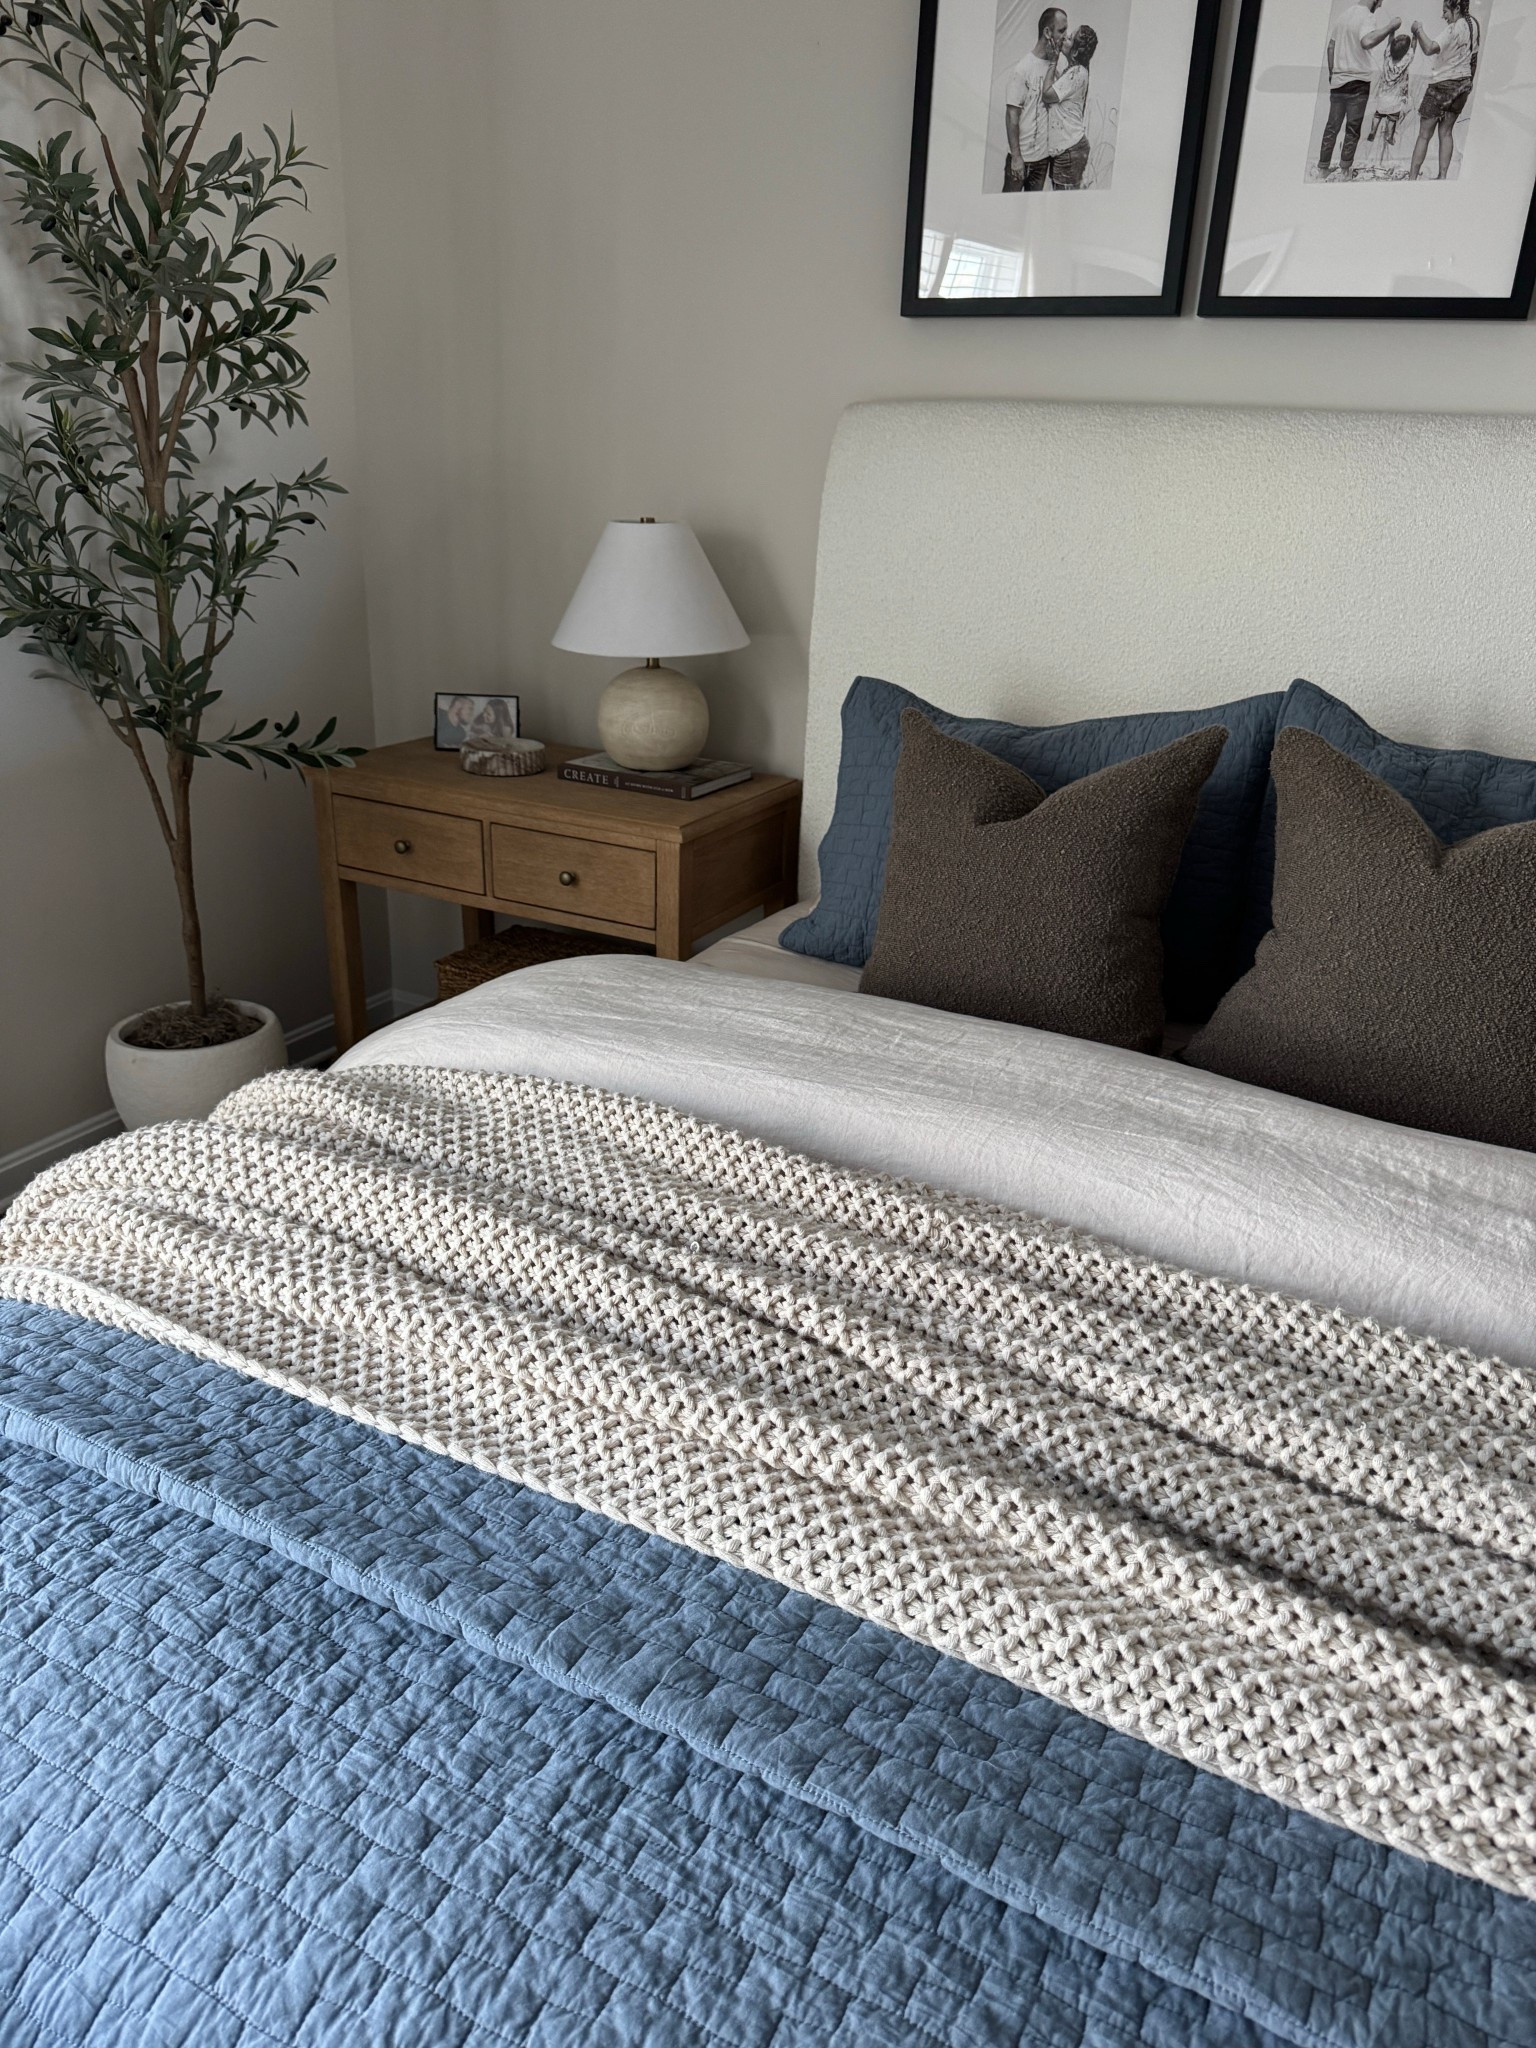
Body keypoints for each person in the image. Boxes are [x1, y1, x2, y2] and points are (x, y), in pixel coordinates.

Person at [1319, 0, 1400, 179]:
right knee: (1352, 129)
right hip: (1358, 81)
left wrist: (1333, 73)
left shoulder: (1344, 15)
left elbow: (1331, 47)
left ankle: (1323, 169)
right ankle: (1345, 170)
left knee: (1332, 126)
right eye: (1380, 2)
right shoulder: (1367, 16)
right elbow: (1367, 41)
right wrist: (1391, 26)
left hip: (1339, 81)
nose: (1380, 6)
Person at [1408, 1, 1479, 180]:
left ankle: (1411, 179)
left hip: (1441, 85)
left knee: (1424, 135)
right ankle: (1442, 178)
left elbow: (1430, 48)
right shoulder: (1474, 25)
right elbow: (1474, 58)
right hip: (1462, 85)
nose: (1443, 16)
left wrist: (1418, 29)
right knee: (1446, 132)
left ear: (1457, 8)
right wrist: (1468, 83)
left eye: (1446, 11)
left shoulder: (1453, 29)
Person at [1004, 9, 1067, 193]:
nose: (1065, 36)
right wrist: (1016, 157)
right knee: (1007, 207)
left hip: (1042, 160)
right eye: (1061, 31)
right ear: (1047, 32)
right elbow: (1012, 115)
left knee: (1031, 207)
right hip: (1021, 159)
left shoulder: (1058, 65)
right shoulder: (1023, 68)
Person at [1043, 26, 1098, 190]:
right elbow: (1060, 86)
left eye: (1069, 38)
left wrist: (1053, 61)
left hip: (1069, 151)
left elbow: (1047, 95)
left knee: (1064, 201)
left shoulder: (1076, 73)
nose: (1065, 37)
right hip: (1069, 149)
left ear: (1075, 52)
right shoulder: (1076, 72)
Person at [1366, 29, 1415, 173]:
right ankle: (1389, 136)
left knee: (1378, 114)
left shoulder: (1387, 58)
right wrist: (1415, 35)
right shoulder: (1404, 63)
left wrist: (1392, 31)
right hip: (1394, 100)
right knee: (1392, 119)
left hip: (1383, 97)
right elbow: (1413, 50)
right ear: (1405, 52)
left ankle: (1373, 131)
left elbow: (1389, 43)